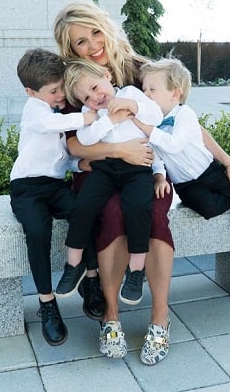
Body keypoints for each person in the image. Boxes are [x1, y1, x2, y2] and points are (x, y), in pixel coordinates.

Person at [53, 0, 230, 365]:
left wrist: (228, 162)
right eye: (80, 42)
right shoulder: (77, 82)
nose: (92, 46)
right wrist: (119, 153)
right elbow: (72, 143)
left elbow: (184, 122)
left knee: (151, 214)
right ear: (71, 50)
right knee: (111, 214)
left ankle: (160, 320)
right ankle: (110, 318)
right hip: (100, 172)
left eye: (95, 33)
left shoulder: (142, 71)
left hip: (148, 171)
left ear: (106, 28)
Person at [132, 57, 230, 281]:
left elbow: (174, 145)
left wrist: (148, 129)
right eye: (144, 89)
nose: (146, 94)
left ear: (175, 94)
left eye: (152, 89)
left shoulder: (184, 115)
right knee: (209, 208)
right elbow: (156, 155)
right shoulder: (149, 122)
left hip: (211, 171)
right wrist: (159, 176)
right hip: (186, 186)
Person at [55, 59, 166, 306]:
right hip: (105, 168)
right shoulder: (90, 114)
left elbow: (156, 115)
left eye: (95, 88)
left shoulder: (130, 93)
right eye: (86, 98)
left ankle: (136, 271)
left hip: (138, 166)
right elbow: (84, 141)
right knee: (83, 206)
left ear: (107, 75)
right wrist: (109, 120)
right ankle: (74, 264)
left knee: (138, 208)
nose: (94, 98)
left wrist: (133, 105)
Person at [8, 48, 97, 346]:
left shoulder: (55, 113)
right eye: (54, 90)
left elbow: (58, 158)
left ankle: (91, 281)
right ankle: (47, 304)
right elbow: (49, 126)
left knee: (84, 212)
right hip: (26, 189)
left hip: (55, 185)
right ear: (31, 92)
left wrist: (78, 164)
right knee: (37, 230)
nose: (60, 95)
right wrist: (86, 118)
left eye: (61, 87)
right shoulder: (35, 110)